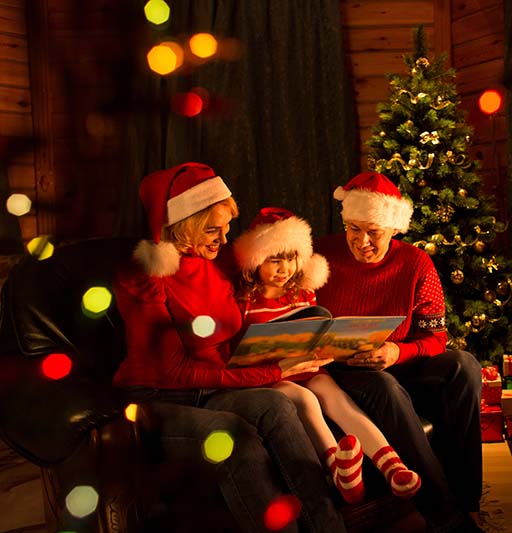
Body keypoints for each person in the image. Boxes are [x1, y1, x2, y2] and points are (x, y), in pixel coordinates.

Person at [112, 162, 345, 533]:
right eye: (211, 230)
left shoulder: (216, 266)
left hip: (211, 388)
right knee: (236, 440)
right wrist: (272, 371)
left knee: (277, 403)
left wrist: (287, 347)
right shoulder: (146, 277)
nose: (223, 240)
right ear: (181, 225)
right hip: (158, 399)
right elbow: (177, 372)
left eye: (225, 229)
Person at [314, 171, 484, 532]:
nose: (362, 242)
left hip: (395, 358)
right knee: (385, 388)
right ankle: (446, 518)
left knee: (463, 365)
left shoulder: (416, 263)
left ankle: (467, 499)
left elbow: (435, 338)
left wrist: (396, 351)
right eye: (353, 229)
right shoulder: (320, 255)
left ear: (393, 230)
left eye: (373, 232)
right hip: (341, 370)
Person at [231, 206, 422, 504]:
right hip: (272, 375)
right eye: (274, 259)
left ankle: (393, 467)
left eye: (292, 258)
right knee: (306, 400)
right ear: (255, 259)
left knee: (337, 399)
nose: (284, 269)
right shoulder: (244, 298)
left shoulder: (302, 292)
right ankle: (339, 469)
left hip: (308, 366)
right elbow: (237, 347)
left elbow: (314, 330)